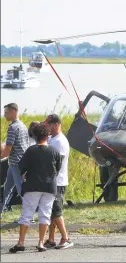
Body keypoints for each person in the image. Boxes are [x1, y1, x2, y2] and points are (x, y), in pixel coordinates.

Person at [9, 124, 62, 253]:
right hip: (49, 187)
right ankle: (41, 242)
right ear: (47, 136)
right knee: (45, 214)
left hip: (32, 186)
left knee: (27, 214)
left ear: (35, 136)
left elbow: (22, 167)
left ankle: (21, 242)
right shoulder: (54, 151)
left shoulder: (31, 150)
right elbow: (58, 168)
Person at [42, 114, 74, 249]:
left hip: (58, 182)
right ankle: (51, 239)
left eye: (48, 125)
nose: (46, 127)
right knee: (50, 212)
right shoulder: (51, 138)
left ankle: (66, 238)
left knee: (56, 211)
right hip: (51, 180)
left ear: (56, 125)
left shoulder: (60, 142)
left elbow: (57, 164)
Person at [0, 103, 29, 216]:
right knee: (7, 188)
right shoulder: (22, 125)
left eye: (6, 113)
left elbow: (7, 148)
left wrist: (1, 157)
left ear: (13, 112)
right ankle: (2, 211)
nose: (4, 115)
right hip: (16, 163)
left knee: (21, 190)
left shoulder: (13, 128)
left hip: (16, 164)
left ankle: (27, 216)